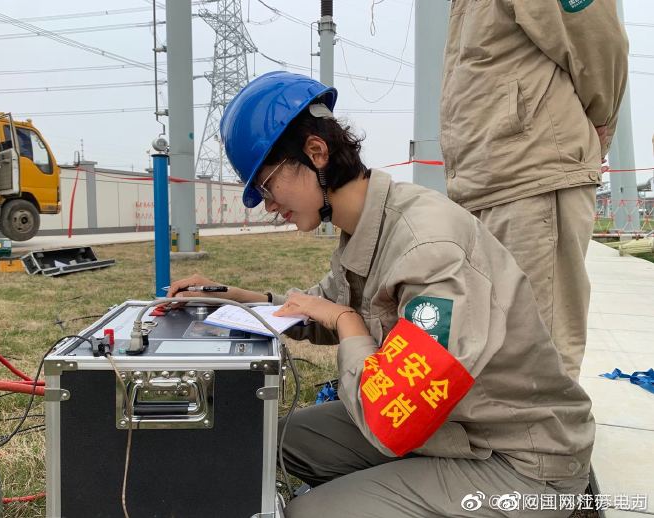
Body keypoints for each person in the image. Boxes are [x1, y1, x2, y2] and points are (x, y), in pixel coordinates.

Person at [167, 71, 595, 517]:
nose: (268, 204)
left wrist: (347, 323)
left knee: (306, 515)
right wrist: (240, 298)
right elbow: (321, 305)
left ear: (316, 152)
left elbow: (391, 416)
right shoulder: (370, 223)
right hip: (451, 426)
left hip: (519, 461)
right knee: (274, 439)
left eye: (266, 183)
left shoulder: (428, 248)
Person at [440, 0, 629, 379]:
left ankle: (548, 421)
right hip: (491, 178)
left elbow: (597, 39)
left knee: (538, 353)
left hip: (532, 173)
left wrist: (598, 124)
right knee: (503, 352)